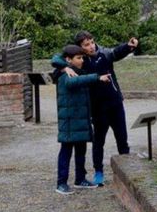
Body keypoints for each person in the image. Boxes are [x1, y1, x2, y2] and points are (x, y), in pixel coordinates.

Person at [52, 31, 137, 186]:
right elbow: (57, 60)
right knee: (99, 142)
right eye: (86, 45)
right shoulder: (80, 62)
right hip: (97, 108)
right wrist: (65, 68)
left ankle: (128, 172)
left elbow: (116, 52)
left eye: (92, 42)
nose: (91, 46)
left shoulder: (103, 53)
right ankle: (98, 171)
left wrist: (128, 46)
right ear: (79, 48)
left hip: (115, 103)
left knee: (122, 139)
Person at [52, 44, 111, 195]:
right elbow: (74, 82)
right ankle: (61, 183)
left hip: (80, 121)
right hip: (70, 122)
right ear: (68, 59)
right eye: (78, 58)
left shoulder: (77, 71)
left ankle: (80, 179)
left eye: (82, 57)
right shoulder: (65, 74)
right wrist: (97, 78)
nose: (82, 60)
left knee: (81, 151)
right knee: (66, 152)